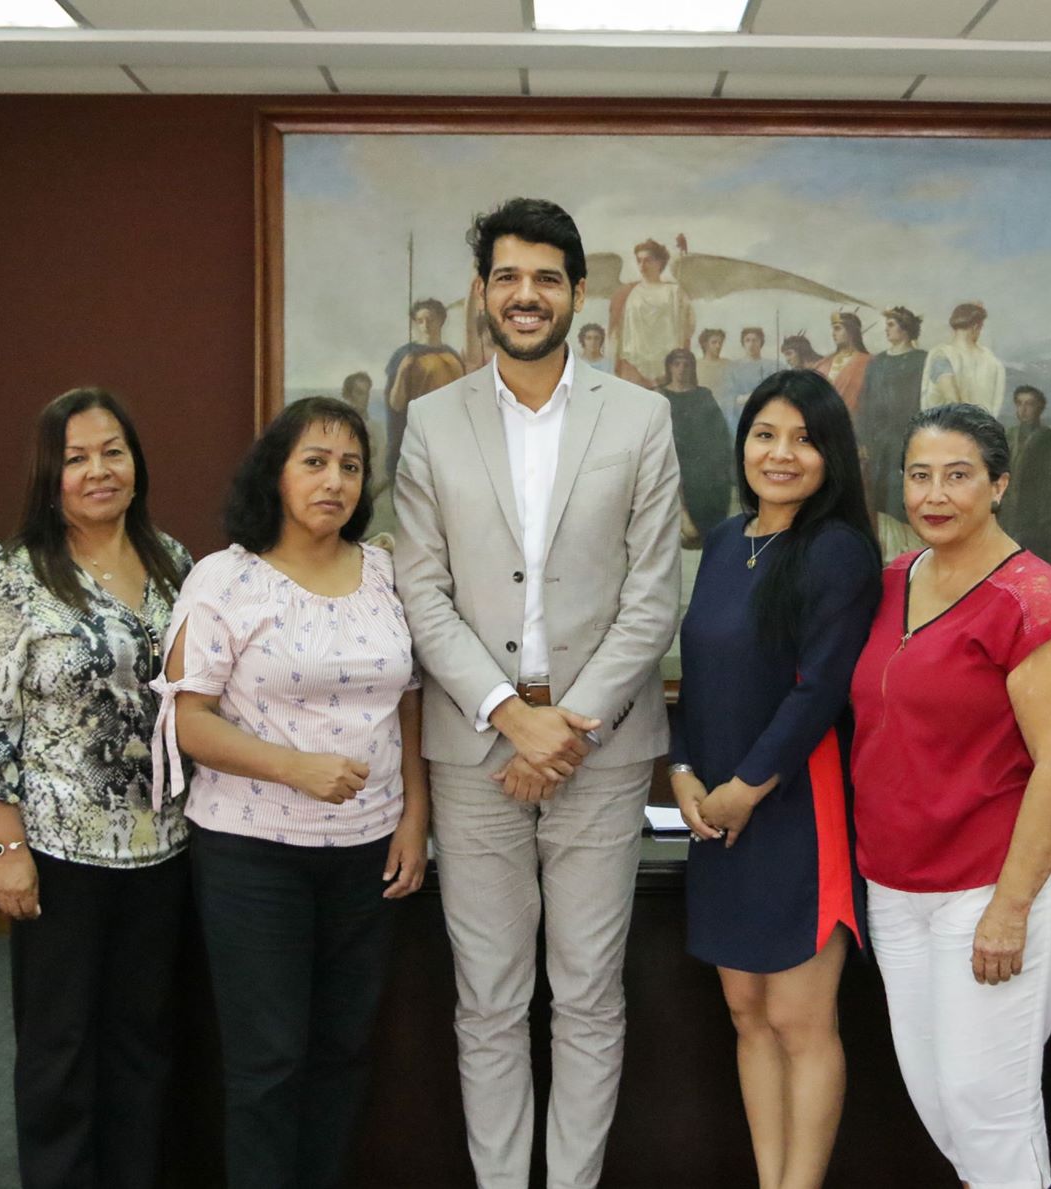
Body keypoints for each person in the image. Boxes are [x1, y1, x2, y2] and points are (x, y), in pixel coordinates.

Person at [394, 197, 682, 1189]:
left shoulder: (640, 416)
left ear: (576, 293)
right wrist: (509, 715)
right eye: (508, 277)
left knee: (588, 992)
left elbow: (652, 592)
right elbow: (419, 585)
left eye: (547, 278)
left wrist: (565, 723)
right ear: (481, 293)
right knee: (488, 996)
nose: (526, 295)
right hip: (474, 748)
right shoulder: (430, 421)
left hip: (599, 750)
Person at [151, 396, 429, 1189]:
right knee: (269, 1062)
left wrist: (416, 816)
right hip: (252, 854)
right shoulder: (224, 578)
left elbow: (408, 701)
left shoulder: (386, 572)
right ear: (274, 472)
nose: (333, 480)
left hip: (369, 854)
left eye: (349, 465)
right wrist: (292, 766)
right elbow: (186, 722)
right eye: (314, 460)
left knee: (345, 1053)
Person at [0, 388, 193, 1189]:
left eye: (112, 451)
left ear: (135, 461)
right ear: (51, 474)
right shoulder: (16, 578)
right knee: (60, 1052)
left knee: (143, 1044)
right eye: (77, 457)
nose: (98, 471)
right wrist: (7, 848)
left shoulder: (175, 562)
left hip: (166, 848)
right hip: (59, 854)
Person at [848, 402, 1051, 1189]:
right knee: (943, 1104)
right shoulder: (888, 582)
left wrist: (1011, 908)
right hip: (898, 886)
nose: (934, 494)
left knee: (987, 1106)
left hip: (995, 888)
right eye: (920, 475)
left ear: (999, 485)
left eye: (958, 475)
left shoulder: (1034, 598)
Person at [672, 369, 882, 1189]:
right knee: (746, 1014)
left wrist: (747, 786)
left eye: (803, 438)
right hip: (716, 812)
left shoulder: (838, 551)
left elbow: (819, 690)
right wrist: (686, 772)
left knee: (799, 1018)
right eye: (766, 434)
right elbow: (695, 674)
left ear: (831, 455)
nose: (782, 453)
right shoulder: (726, 542)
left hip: (796, 806)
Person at [854, 306, 927, 527]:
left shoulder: (921, 360)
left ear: (905, 328)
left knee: (904, 496)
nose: (886, 330)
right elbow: (864, 402)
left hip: (908, 439)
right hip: (879, 443)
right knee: (880, 499)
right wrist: (864, 439)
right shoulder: (877, 362)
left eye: (891, 325)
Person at [384, 297, 466, 486]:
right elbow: (395, 404)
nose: (425, 325)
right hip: (419, 437)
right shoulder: (405, 355)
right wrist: (404, 370)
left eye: (430, 319)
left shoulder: (452, 356)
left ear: (441, 320)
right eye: (420, 321)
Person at [659, 347, 734, 547]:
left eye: (686, 364)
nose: (682, 369)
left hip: (703, 455)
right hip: (672, 454)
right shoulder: (660, 395)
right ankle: (686, 527)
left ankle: (709, 533)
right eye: (677, 364)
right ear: (669, 367)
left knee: (712, 477)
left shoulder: (703, 395)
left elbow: (719, 431)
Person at [1001, 385, 1051, 570]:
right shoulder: (1008, 437)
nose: (1023, 410)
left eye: (1029, 404)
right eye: (1019, 404)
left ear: (1039, 408)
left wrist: (1048, 522)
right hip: (1007, 518)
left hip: (1039, 521)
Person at [609, 236, 693, 387]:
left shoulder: (674, 292)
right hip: (634, 363)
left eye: (648, 260)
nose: (642, 265)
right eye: (639, 261)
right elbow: (617, 329)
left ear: (660, 262)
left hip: (667, 363)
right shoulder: (629, 292)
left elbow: (686, 327)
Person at [920, 302, 1007, 416]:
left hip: (952, 428)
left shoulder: (941, 355)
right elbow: (995, 404)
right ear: (976, 327)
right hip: (984, 429)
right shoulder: (993, 362)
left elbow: (953, 401)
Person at [812, 312, 871, 414]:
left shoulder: (868, 362)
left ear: (851, 332)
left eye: (838, 328)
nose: (833, 333)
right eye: (833, 329)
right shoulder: (822, 364)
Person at [723, 326, 778, 425]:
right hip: (741, 415)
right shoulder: (734, 367)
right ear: (743, 343)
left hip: (765, 413)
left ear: (761, 342)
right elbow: (728, 397)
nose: (751, 344)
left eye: (755, 340)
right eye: (747, 340)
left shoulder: (772, 366)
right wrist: (747, 397)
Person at [696, 327, 730, 402]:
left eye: (720, 343)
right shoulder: (696, 365)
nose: (718, 346)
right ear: (705, 344)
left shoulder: (728, 364)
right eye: (714, 342)